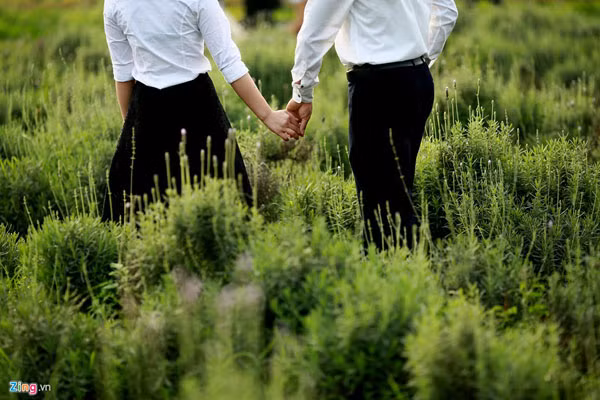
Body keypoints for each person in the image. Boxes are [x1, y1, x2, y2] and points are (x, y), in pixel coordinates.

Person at [102, 0, 300, 222]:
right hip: (198, 110)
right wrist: (267, 115)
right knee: (223, 213)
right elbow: (228, 61)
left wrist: (131, 132)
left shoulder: (115, 3)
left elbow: (123, 72)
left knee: (142, 218)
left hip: (148, 113)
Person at [287, 0, 458, 251]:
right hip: (417, 81)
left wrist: (302, 92)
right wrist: (420, 60)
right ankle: (408, 264)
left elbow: (315, 29)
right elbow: (447, 12)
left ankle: (395, 267)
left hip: (377, 87)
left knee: (380, 201)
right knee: (398, 188)